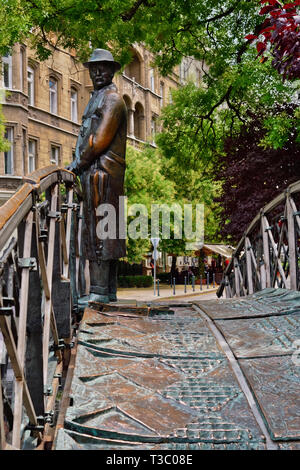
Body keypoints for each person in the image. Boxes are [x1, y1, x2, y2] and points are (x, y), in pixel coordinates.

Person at [67, 49, 127, 303]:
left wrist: (78, 162)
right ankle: (104, 291)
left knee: (102, 231)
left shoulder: (112, 100)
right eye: (93, 68)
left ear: (112, 70)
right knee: (101, 229)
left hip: (103, 174)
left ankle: (101, 291)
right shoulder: (98, 98)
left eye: (103, 68)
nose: (97, 73)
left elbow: (99, 139)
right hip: (96, 174)